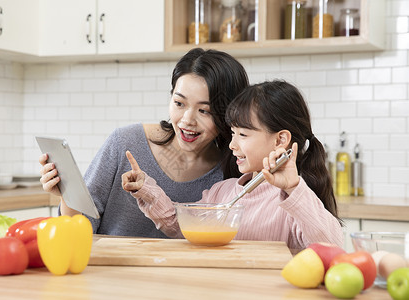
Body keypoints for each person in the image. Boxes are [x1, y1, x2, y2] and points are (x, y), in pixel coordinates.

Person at [39, 48, 250, 237]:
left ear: (228, 114)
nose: (187, 120)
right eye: (179, 103)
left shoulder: (233, 171)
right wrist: (67, 195)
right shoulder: (125, 142)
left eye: (204, 111)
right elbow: (79, 229)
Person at [122, 80, 344, 251]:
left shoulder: (295, 201)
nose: (232, 145)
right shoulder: (223, 192)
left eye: (243, 135)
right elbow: (177, 224)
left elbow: (332, 249)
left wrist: (294, 187)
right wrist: (146, 189)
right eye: (233, 133)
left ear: (280, 140)